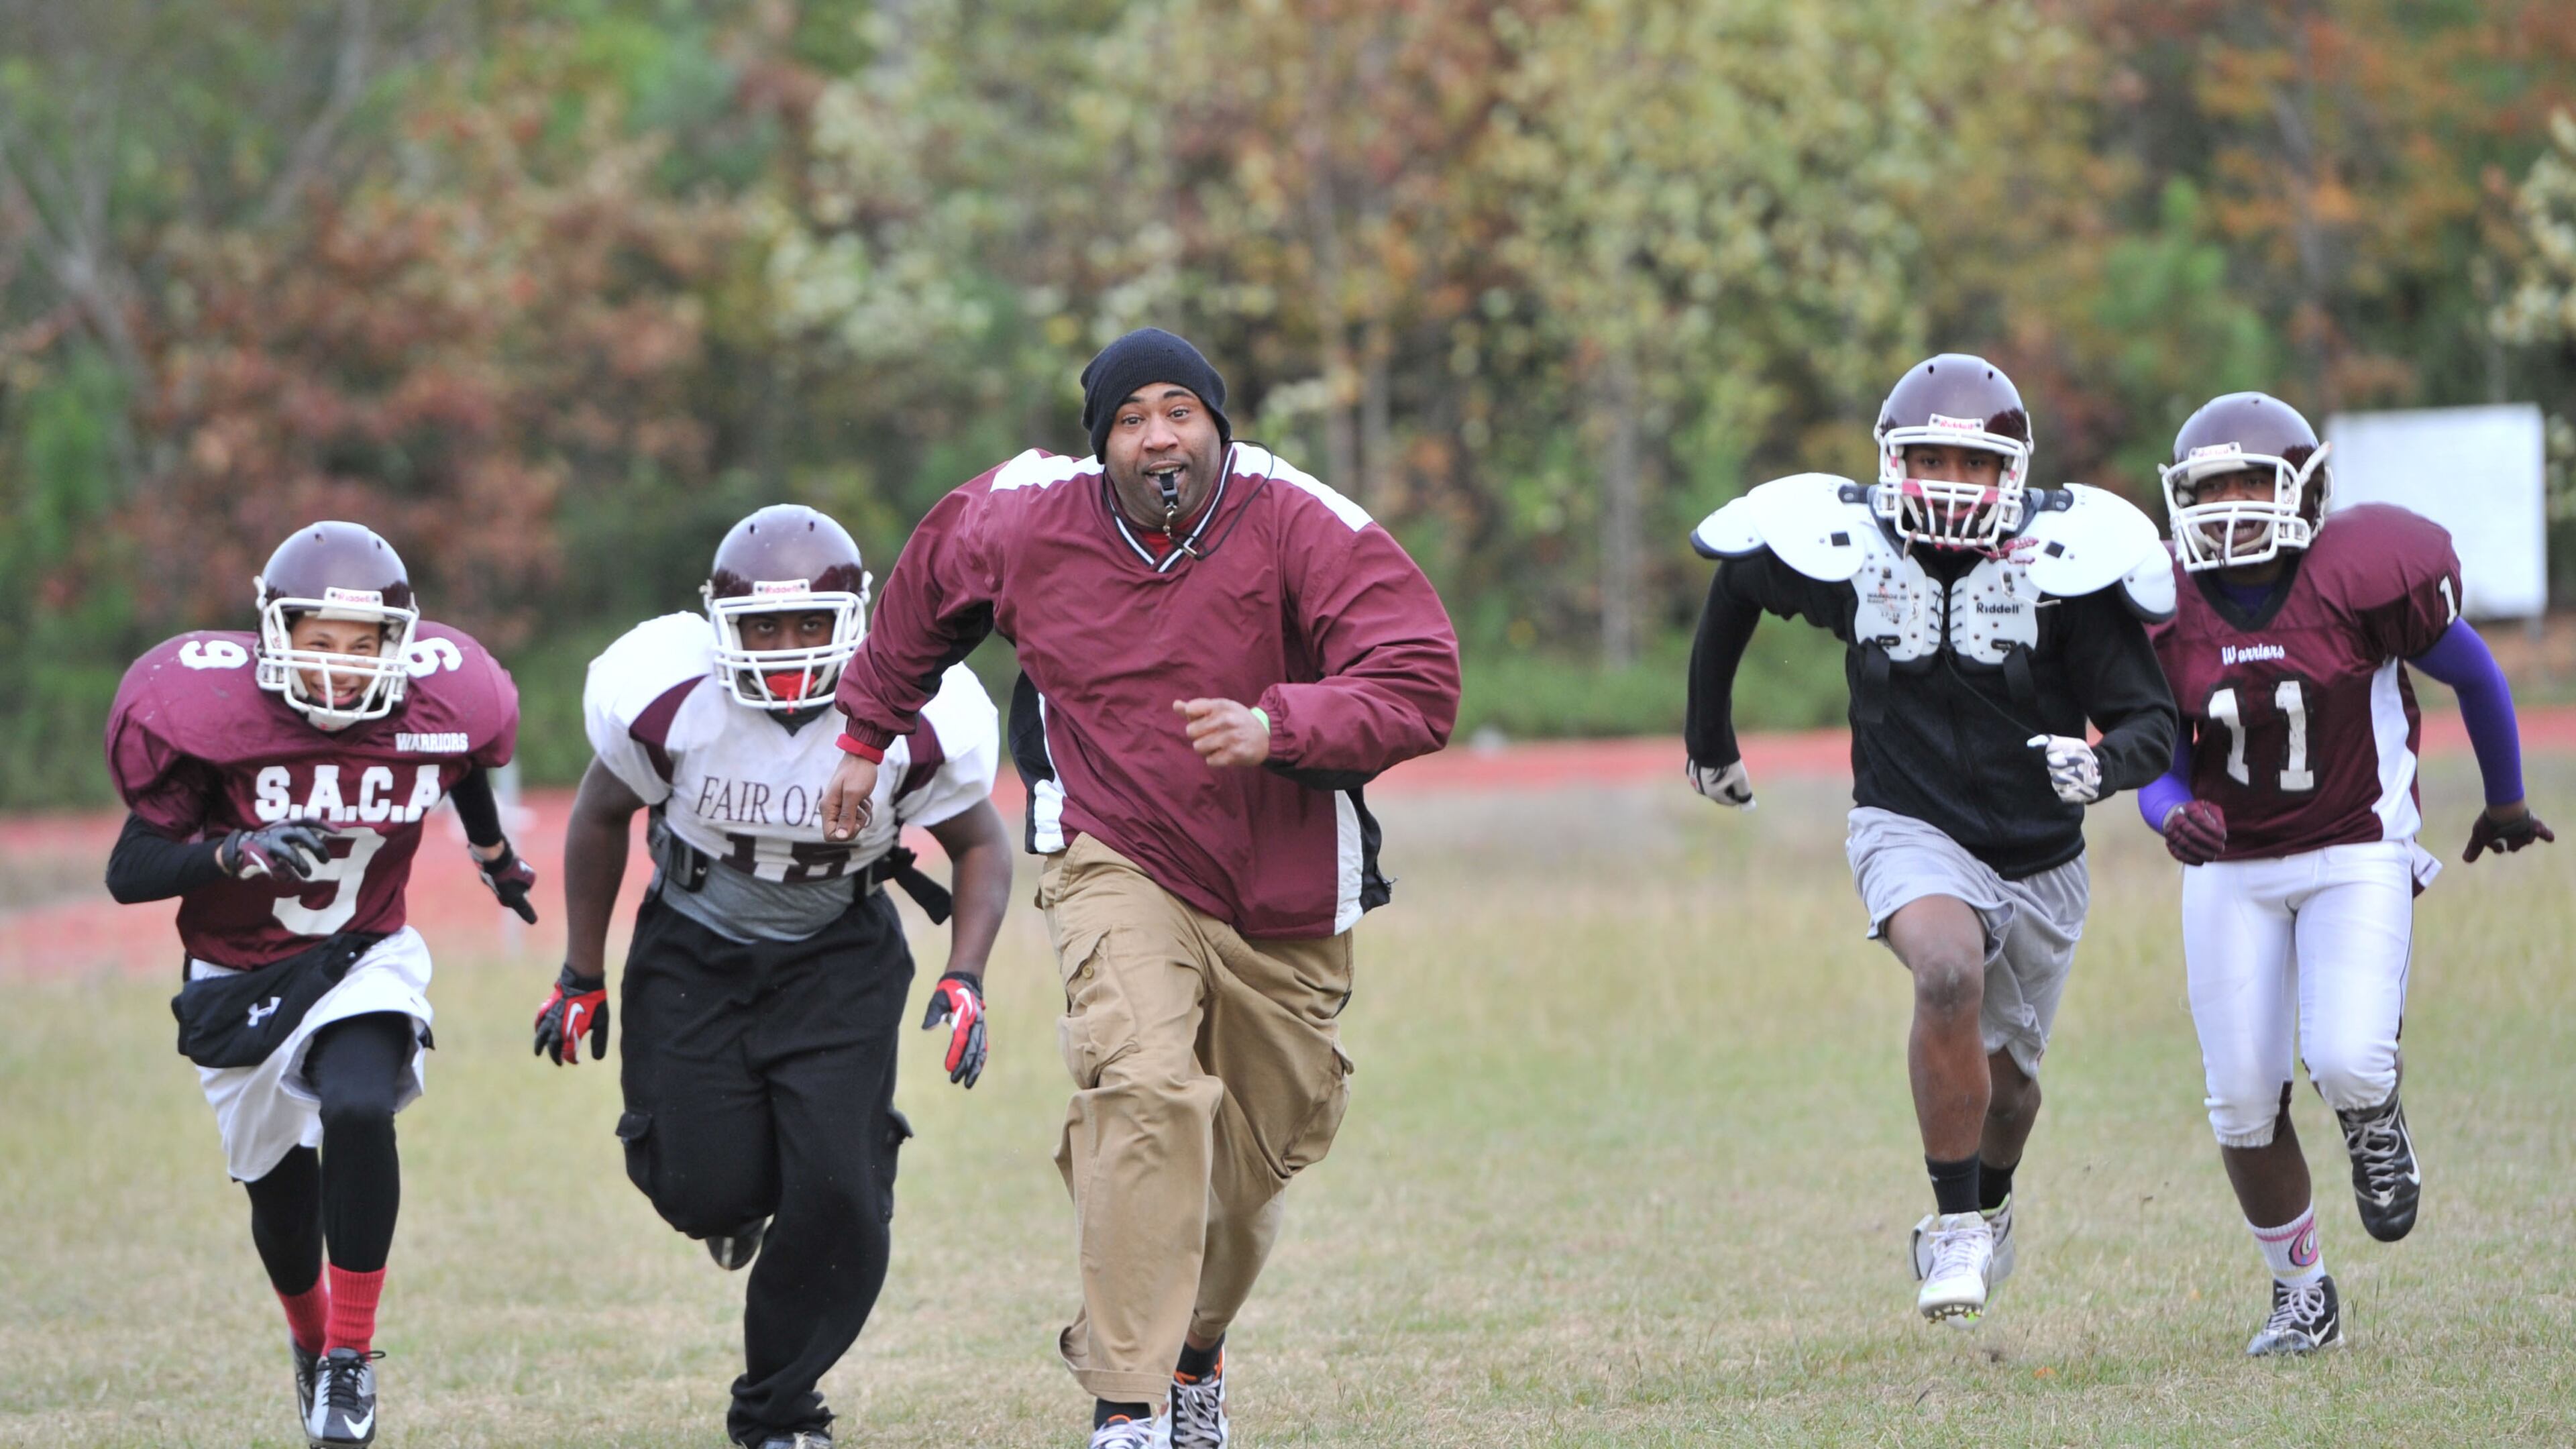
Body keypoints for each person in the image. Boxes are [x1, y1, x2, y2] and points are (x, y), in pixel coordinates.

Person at [816, 328, 1459, 1449]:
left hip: (1283, 891)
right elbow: (923, 594)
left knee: (1250, 1179)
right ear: (1101, 442)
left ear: (1218, 423)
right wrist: (866, 735)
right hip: (1113, 851)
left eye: (1180, 411)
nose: (1159, 435)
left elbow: (1422, 679)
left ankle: (1195, 1350)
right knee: (1145, 1091)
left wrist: (1281, 726)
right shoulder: (1025, 517)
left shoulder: (1299, 519)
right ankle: (1128, 1406)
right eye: (1131, 418)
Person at [1684, 354, 2180, 1327]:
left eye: (1973, 463)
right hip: (1904, 827)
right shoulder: (1858, 552)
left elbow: (2151, 723)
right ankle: (1955, 1228)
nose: (1950, 485)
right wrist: (1709, 738)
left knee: (2013, 1097)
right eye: (1929, 461)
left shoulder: (2065, 574)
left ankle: (1988, 1203)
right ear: (1888, 464)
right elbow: (1739, 580)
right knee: (1946, 971)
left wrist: (2104, 765)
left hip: (2041, 860)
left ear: (2014, 473)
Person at [539, 504, 1012, 1449]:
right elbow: (597, 820)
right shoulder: (668, 694)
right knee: (700, 1187)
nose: (786, 645)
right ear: (718, 620)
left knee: (838, 1194)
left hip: (839, 949)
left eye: (809, 623)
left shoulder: (921, 710)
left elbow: (981, 846)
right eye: (763, 624)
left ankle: (780, 1413)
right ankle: (736, 1206)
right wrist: (580, 971)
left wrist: (966, 975)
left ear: (858, 621)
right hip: (694, 942)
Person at [2137, 392, 2554, 1356]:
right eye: (2211, 490)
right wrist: (2170, 813)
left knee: (2348, 1059)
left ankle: (2375, 1119)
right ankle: (2301, 1293)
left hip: (2352, 845)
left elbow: (2479, 676)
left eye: (2251, 484)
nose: (2231, 508)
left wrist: (2503, 801)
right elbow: (2152, 749)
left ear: (2305, 490)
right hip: (2232, 861)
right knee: (2241, 1097)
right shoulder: (2167, 601)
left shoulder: (2361, 575)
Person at [102, 521, 533, 1448]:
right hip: (238, 973)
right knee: (281, 1200)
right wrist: (235, 850)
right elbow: (130, 867)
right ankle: (309, 1340)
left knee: (359, 1105)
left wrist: (493, 854)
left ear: (398, 646)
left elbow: (451, 757)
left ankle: (349, 1358)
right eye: (317, 641)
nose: (339, 666)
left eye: (361, 645)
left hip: (361, 951)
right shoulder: (214, 721)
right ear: (276, 637)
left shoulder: (433, 704)